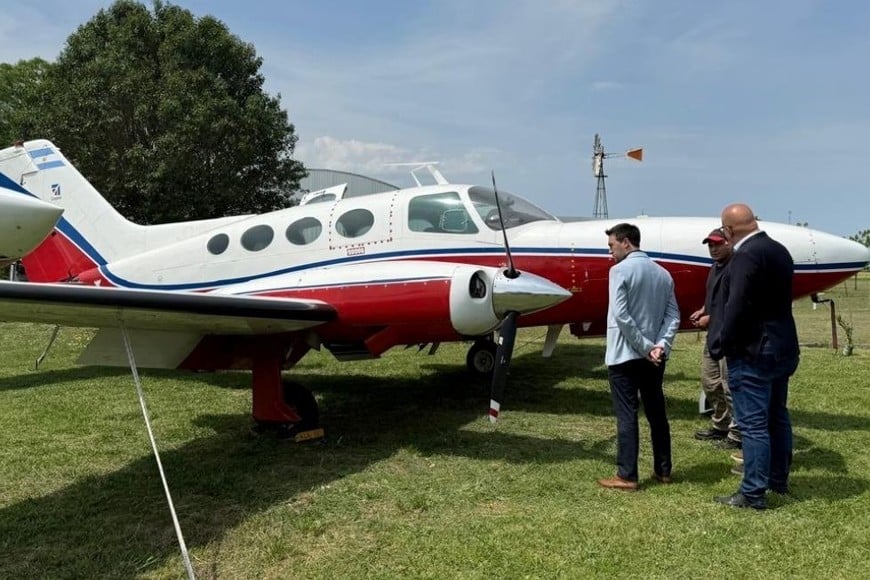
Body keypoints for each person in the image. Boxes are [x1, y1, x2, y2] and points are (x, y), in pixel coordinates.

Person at [710, 204, 799, 510]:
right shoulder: (779, 250)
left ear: (729, 230)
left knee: (753, 424)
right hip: (782, 345)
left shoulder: (745, 256)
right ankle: (778, 480)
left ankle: (753, 492)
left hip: (753, 351)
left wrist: (722, 343)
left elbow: (737, 306)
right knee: (777, 415)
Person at [598, 223, 681, 491]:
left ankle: (627, 474)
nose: (610, 251)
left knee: (626, 414)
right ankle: (663, 469)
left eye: (612, 245)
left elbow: (621, 315)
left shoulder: (619, 271)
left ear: (625, 243)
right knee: (657, 412)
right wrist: (660, 346)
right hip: (655, 357)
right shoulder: (663, 274)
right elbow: (673, 315)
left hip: (625, 354)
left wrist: (644, 346)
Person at [689, 228, 741, 450]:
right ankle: (721, 424)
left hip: (730, 336)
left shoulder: (736, 268)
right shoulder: (715, 268)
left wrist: (710, 317)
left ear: (729, 243)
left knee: (731, 386)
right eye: (710, 245)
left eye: (718, 244)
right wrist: (704, 309)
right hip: (714, 335)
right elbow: (715, 298)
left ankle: (738, 434)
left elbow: (736, 304)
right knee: (710, 383)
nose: (713, 248)